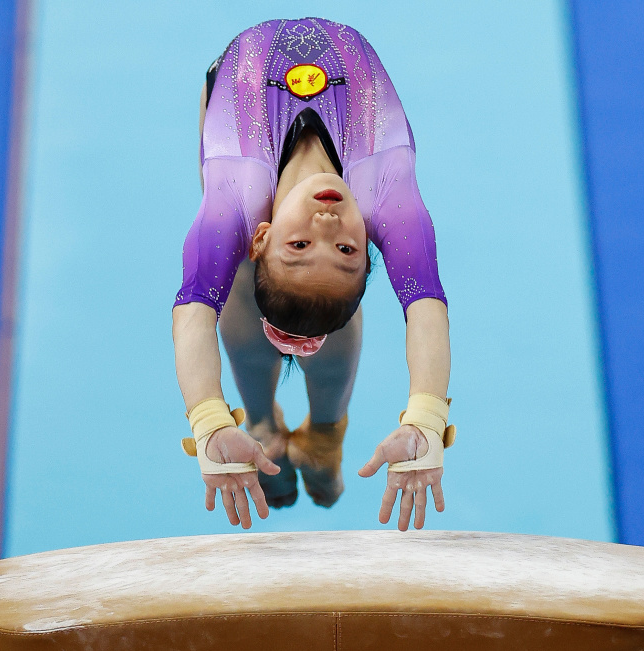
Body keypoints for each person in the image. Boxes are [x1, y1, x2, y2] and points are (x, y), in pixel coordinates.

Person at [172, 18, 454, 532]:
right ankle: (300, 430)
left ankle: (294, 432)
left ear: (264, 237)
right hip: (293, 130)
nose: (326, 224)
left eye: (299, 245)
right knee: (317, 290)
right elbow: (426, 306)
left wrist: (209, 424)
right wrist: (426, 420)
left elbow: (193, 312)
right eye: (347, 248)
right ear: (370, 248)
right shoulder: (387, 195)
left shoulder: (233, 201)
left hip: (233, 99)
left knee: (261, 273)